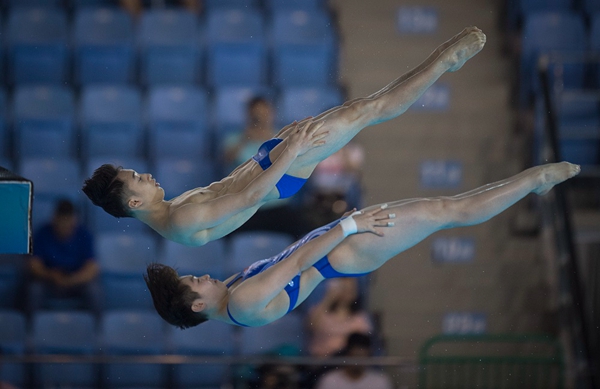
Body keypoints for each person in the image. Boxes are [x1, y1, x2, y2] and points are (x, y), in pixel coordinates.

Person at [83, 27, 487, 247]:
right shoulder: (180, 219)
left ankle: (439, 63)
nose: (147, 176)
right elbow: (249, 198)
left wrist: (273, 148)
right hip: (280, 174)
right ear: (134, 202)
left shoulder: (173, 211)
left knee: (366, 107)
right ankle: (442, 64)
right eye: (138, 179)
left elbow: (232, 184)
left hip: (269, 162)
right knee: (368, 111)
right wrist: (289, 151)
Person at [143, 162, 580, 329]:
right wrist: (350, 224)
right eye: (194, 282)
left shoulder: (233, 289)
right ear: (198, 306)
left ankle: (529, 184)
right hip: (348, 250)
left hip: (337, 245)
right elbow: (298, 260)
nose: (200, 275)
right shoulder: (243, 302)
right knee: (449, 210)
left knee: (447, 206)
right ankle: (533, 182)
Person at [224, 96, 311, 239]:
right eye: (256, 115)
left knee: (302, 230)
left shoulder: (284, 139)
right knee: (224, 230)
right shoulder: (236, 139)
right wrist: (246, 138)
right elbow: (227, 159)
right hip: (247, 207)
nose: (261, 119)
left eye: (264, 114)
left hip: (277, 206)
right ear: (249, 116)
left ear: (272, 114)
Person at [28, 199, 101, 314]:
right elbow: (34, 265)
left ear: (74, 220)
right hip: (50, 281)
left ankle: (97, 329)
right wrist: (50, 275)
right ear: (54, 218)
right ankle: (30, 328)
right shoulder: (42, 233)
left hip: (76, 281)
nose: (65, 226)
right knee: (34, 290)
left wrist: (73, 279)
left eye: (68, 222)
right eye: (62, 221)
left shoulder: (85, 235)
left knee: (94, 291)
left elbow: (92, 268)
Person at [307, 278, 372, 358]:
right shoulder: (320, 311)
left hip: (348, 362)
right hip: (323, 362)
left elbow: (363, 343)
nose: (347, 292)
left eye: (350, 289)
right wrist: (328, 298)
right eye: (343, 288)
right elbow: (311, 326)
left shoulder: (360, 317)